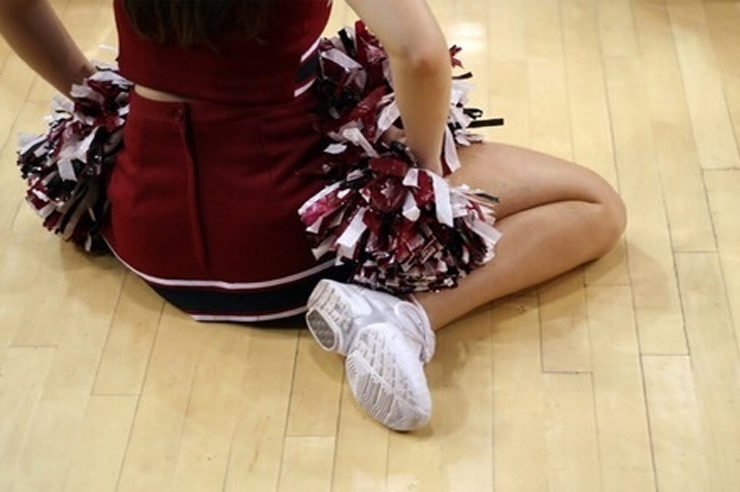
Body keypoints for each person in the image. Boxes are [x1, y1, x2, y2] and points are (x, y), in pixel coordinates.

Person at [0, 0, 626, 431]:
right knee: (596, 204)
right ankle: (403, 316)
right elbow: (422, 55)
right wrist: (423, 180)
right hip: (287, 256)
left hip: (143, 235)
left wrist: (86, 83)